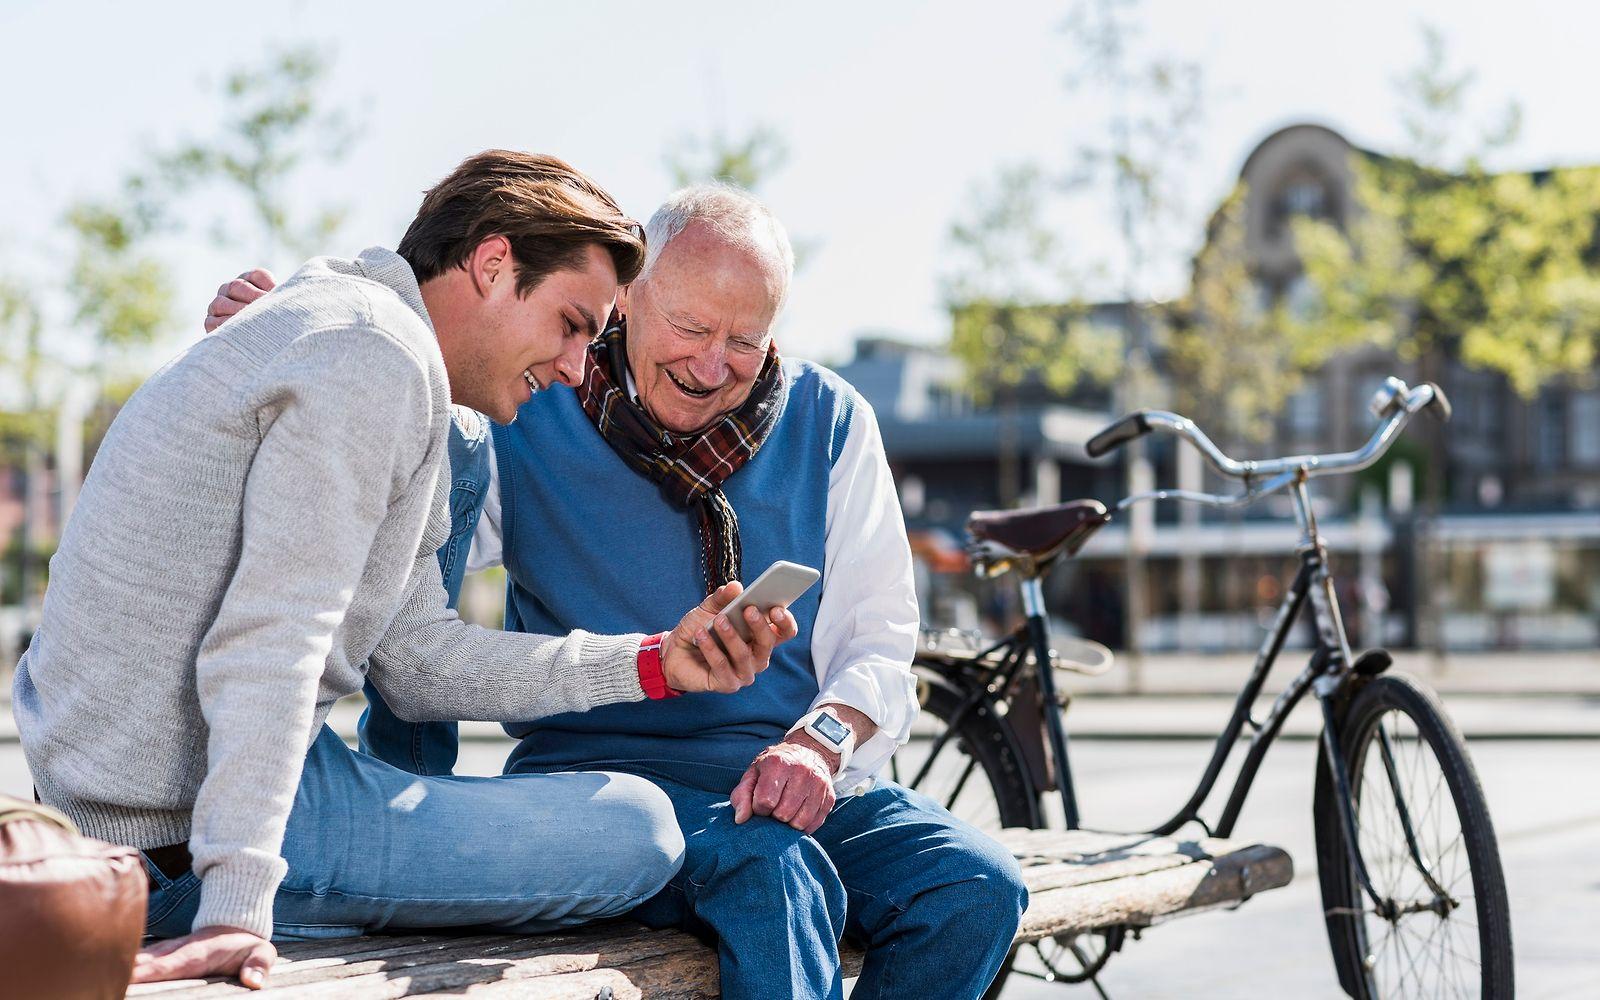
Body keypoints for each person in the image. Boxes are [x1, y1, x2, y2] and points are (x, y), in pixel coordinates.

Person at [211, 183, 1027, 1000]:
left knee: (977, 887)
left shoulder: (833, 421)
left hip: (791, 777)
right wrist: (301, 336)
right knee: (771, 874)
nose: (712, 367)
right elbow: (411, 483)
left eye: (745, 339)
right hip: (602, 788)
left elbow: (880, 642)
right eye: (691, 327)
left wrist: (818, 743)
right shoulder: (528, 401)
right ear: (631, 297)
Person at [16, 151, 797, 991]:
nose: (577, 367)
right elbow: (272, 636)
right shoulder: (375, 360)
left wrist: (650, 663)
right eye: (573, 323)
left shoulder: (346, 321)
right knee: (641, 828)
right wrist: (237, 903)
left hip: (154, 802)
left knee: (464, 448)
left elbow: (419, 663)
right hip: (183, 843)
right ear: (494, 266)